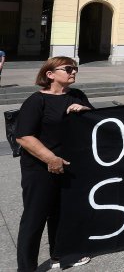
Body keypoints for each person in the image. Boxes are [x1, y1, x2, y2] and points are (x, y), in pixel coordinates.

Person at [15, 57, 93, 271]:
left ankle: (59, 255)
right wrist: (51, 159)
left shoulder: (77, 96)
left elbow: (96, 123)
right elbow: (23, 136)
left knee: (62, 212)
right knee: (34, 217)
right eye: (68, 68)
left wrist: (85, 112)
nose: (74, 72)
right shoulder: (36, 100)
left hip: (69, 166)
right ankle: (26, 267)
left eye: (75, 68)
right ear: (50, 74)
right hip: (40, 168)